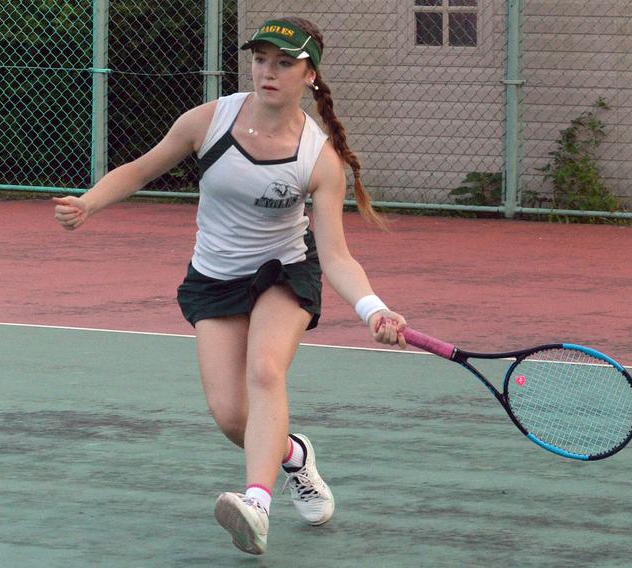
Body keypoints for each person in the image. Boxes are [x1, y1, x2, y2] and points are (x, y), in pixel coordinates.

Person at [53, 16, 408, 556]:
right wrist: (89, 202)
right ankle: (293, 457)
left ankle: (258, 505)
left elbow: (336, 255)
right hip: (215, 276)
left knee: (264, 370)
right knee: (230, 416)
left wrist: (373, 310)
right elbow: (142, 169)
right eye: (261, 59)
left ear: (310, 74)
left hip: (283, 272)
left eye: (284, 63)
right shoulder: (209, 121)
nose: (268, 71)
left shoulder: (319, 159)